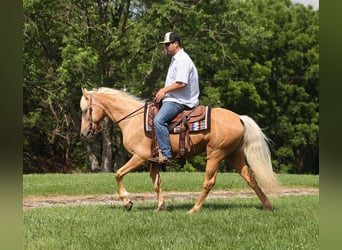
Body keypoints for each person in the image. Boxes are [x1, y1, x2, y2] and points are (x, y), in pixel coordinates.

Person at [149, 32, 200, 164]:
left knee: (159, 120)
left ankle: (166, 154)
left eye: (167, 44)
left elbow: (182, 83)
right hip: (174, 98)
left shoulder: (182, 60)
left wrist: (164, 91)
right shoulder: (176, 58)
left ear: (176, 44)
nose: (165, 47)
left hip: (180, 100)